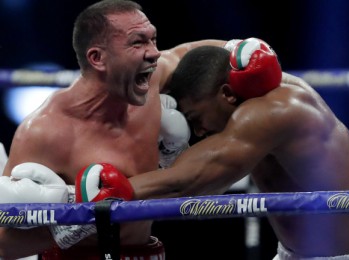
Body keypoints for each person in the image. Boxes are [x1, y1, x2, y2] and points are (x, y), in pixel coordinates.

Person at [127, 39, 349, 259]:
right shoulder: (237, 80)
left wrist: (113, 190)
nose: (197, 131)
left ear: (227, 94)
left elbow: (190, 181)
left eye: (196, 118)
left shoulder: (272, 111)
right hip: (292, 253)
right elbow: (180, 55)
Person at [0, 0, 228, 259]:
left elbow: (190, 53)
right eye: (138, 43)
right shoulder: (45, 132)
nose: (154, 53)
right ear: (98, 58)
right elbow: (3, 245)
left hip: (150, 251)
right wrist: (73, 223)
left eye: (153, 40)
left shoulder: (150, 82)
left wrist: (243, 50)